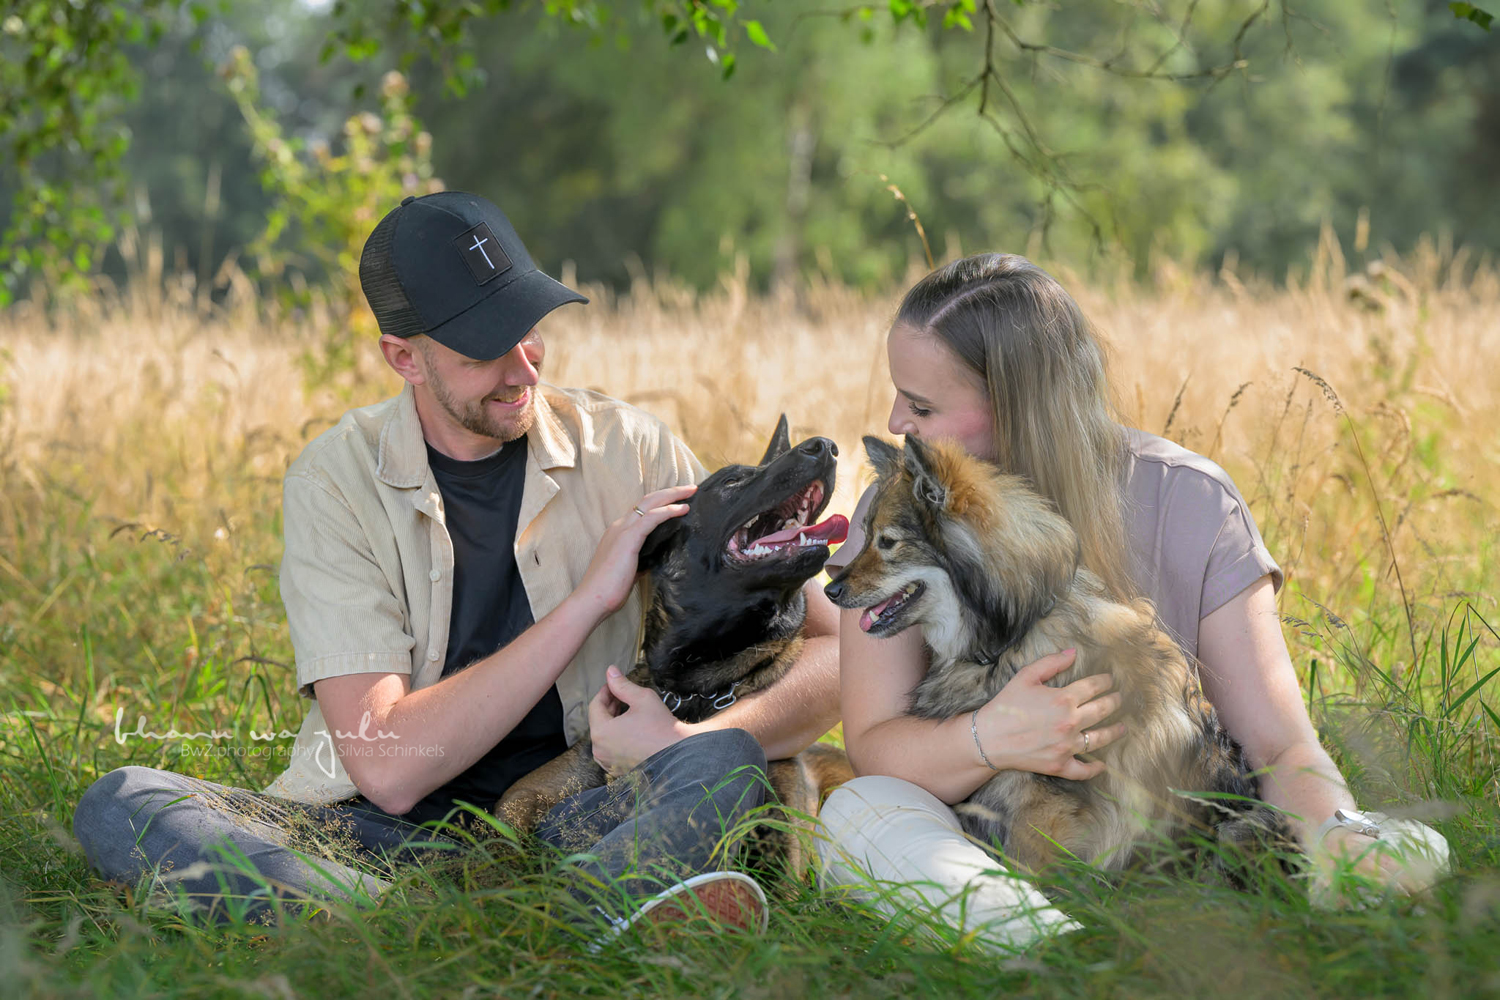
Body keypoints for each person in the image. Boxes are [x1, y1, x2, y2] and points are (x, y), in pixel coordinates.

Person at [72, 191, 841, 937]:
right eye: (484, 348)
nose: (524, 369)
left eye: (529, 330)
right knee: (124, 802)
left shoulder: (631, 450)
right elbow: (388, 767)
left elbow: (840, 653)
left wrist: (688, 745)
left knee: (727, 762)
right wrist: (585, 604)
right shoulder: (334, 481)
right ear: (403, 357)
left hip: (582, 816)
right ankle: (507, 920)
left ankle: (490, 909)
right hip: (382, 833)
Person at [816, 253, 1449, 950]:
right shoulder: (903, 506)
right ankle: (1053, 945)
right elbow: (874, 744)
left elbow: (1278, 743)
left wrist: (1341, 835)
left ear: (1016, 400)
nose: (895, 419)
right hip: (978, 836)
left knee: (1402, 841)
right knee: (859, 810)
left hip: (1166, 824)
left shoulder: (1189, 497)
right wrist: (990, 737)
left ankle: (1066, 936)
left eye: (923, 406)